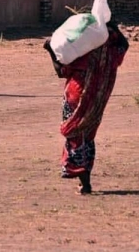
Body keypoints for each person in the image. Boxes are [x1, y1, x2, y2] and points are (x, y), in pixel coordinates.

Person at [44, 21, 129, 194]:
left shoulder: (82, 52)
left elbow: (62, 71)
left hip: (76, 96)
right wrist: (110, 24)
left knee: (76, 135)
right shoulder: (113, 52)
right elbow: (124, 44)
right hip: (98, 99)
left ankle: (83, 179)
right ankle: (85, 182)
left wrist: (50, 50)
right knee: (88, 135)